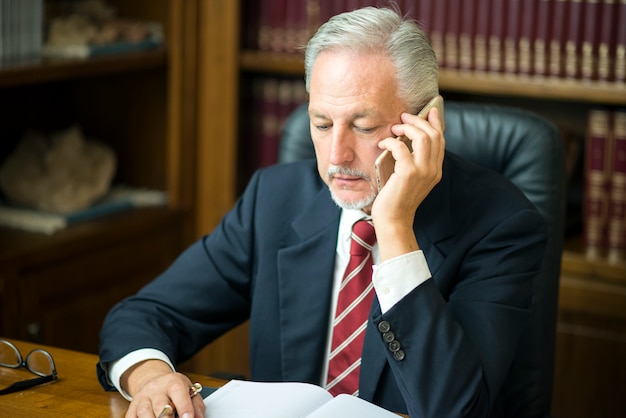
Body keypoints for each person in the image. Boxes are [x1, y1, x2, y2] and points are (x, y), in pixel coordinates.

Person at [97, 6, 547, 418]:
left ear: (426, 123)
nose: (337, 154)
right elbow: (143, 315)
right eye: (322, 123)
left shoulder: (502, 226)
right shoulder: (275, 199)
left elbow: (457, 409)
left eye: (364, 126)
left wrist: (393, 228)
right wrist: (153, 378)